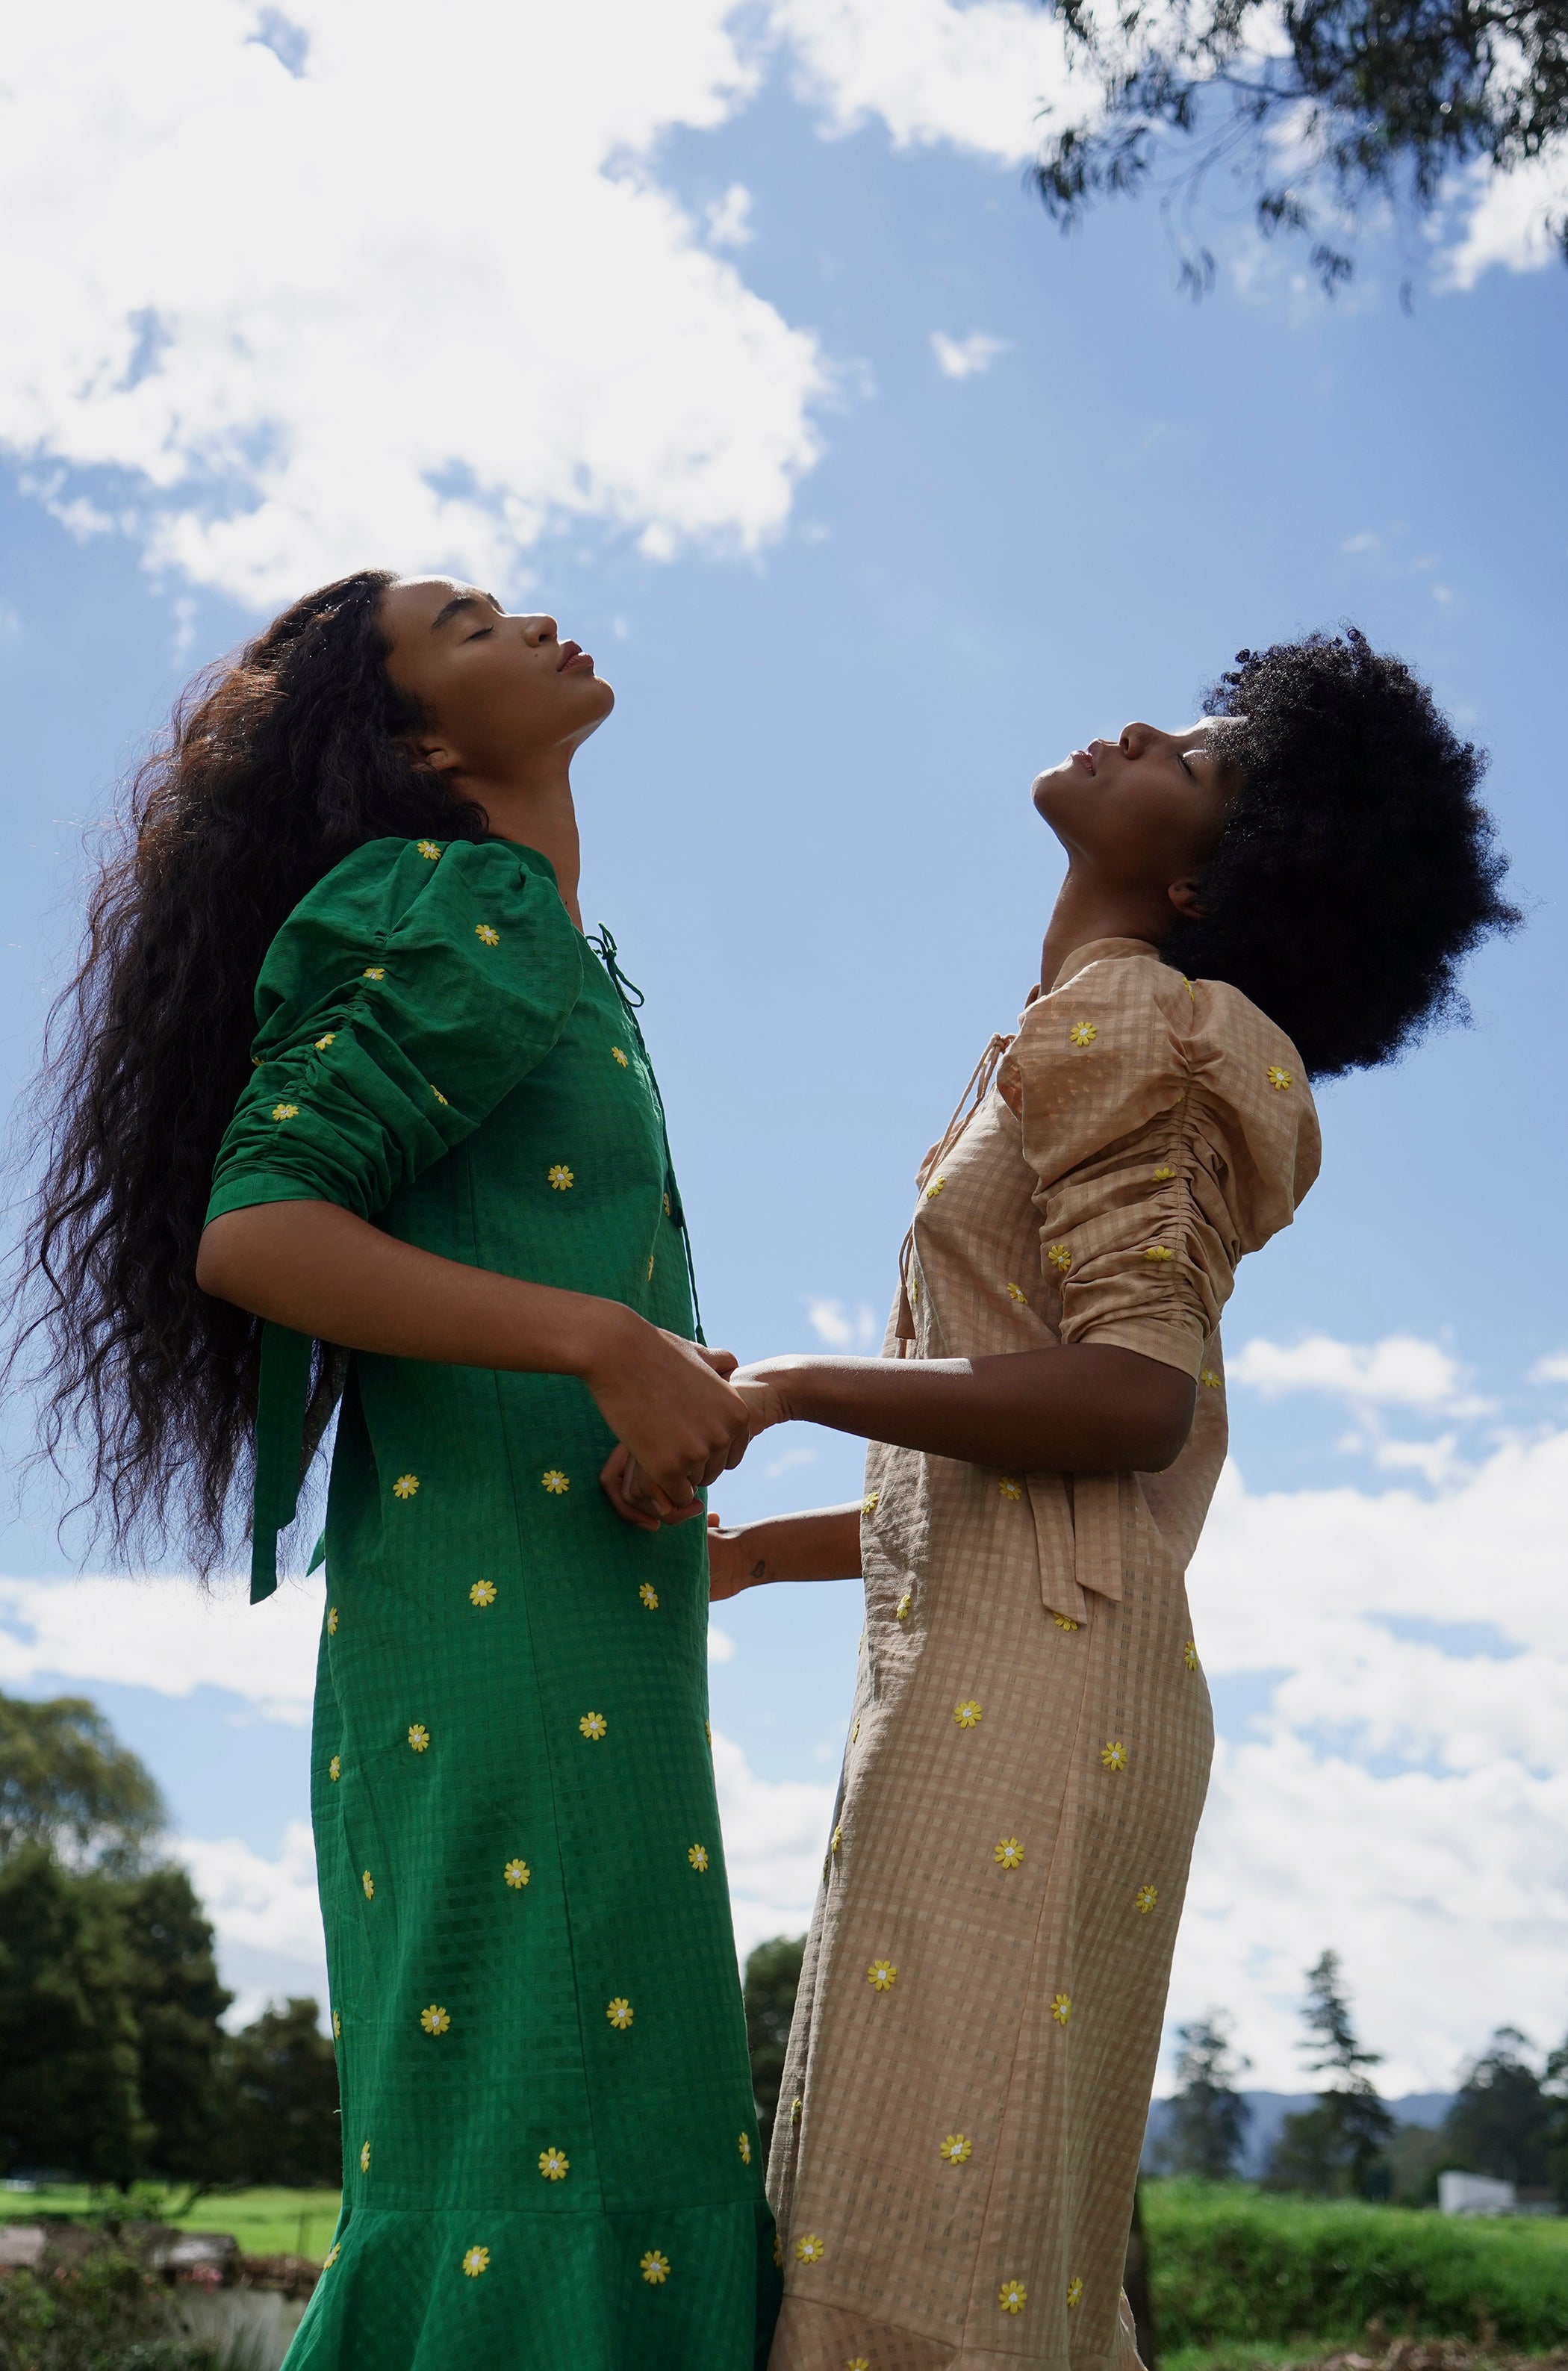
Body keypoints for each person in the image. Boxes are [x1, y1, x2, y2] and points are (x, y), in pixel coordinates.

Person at [605, 629, 1517, 2370]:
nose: (1146, 726)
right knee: (949, 2231)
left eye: (1206, 755)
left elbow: (1126, 1400)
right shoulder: (1092, 1029)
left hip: (1038, 1704)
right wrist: (756, 1560)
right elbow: (1013, 1453)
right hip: (1005, 1678)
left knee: (942, 2248)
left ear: (1198, 877)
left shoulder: (1137, 1026)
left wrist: (782, 1388)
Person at [10, 571, 780, 2367]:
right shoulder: (467, 897)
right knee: (564, 2155)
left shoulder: (556, 950)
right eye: (473, 622)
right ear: (422, 736)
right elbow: (263, 1227)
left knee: (597, 2137)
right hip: (501, 1650)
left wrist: (652, 1395)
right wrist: (606, 1345)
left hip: (571, 1618)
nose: (538, 620)